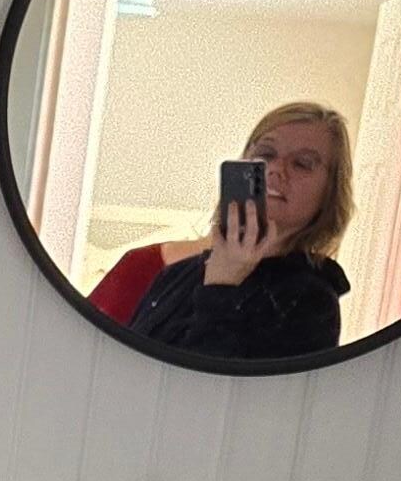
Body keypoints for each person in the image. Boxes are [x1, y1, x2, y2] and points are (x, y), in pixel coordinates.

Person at [88, 103, 354, 361]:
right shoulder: (177, 274)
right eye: (265, 154)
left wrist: (222, 287)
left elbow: (212, 385)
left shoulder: (312, 302)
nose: (276, 169)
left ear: (329, 191)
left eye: (303, 163)